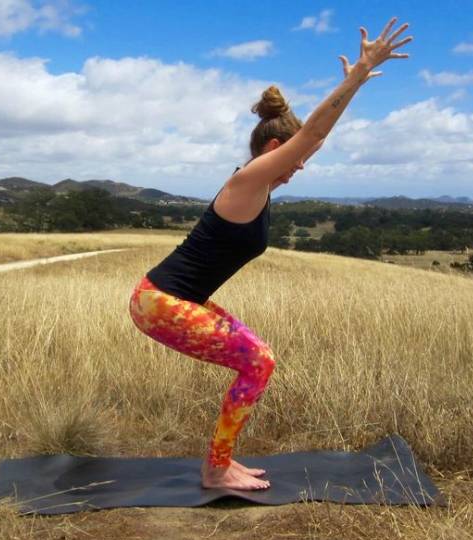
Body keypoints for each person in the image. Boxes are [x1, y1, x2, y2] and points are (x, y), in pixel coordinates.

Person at [128, 18, 412, 491]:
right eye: (295, 157)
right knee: (258, 360)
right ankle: (216, 469)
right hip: (158, 300)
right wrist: (359, 74)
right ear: (274, 149)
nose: (302, 166)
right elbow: (311, 138)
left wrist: (347, 87)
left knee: (259, 360)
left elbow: (313, 140)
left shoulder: (258, 186)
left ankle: (219, 462)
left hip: (176, 298)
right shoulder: (247, 181)